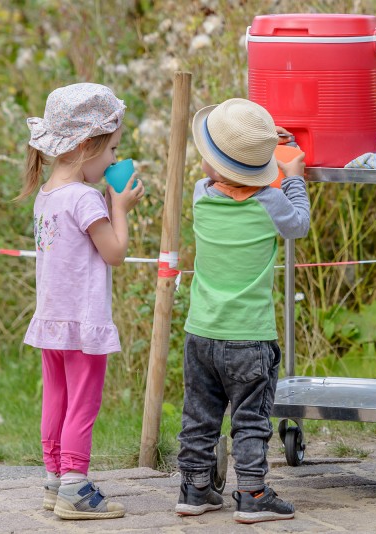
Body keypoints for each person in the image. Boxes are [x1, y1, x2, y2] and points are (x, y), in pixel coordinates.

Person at [175, 98, 310, 524]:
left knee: (199, 414)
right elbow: (298, 224)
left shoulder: (200, 196)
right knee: (250, 419)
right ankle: (252, 493)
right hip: (249, 338)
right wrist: (294, 178)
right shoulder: (270, 204)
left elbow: (217, 176)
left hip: (201, 333)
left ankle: (195, 489)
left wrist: (258, 154)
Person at [18, 83, 144, 520]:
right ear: (87, 145)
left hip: (52, 320)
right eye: (111, 148)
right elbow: (115, 253)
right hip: (83, 322)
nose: (113, 158)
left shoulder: (47, 195)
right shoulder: (86, 198)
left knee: (55, 398)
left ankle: (54, 479)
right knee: (83, 404)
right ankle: (76, 486)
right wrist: (121, 206)